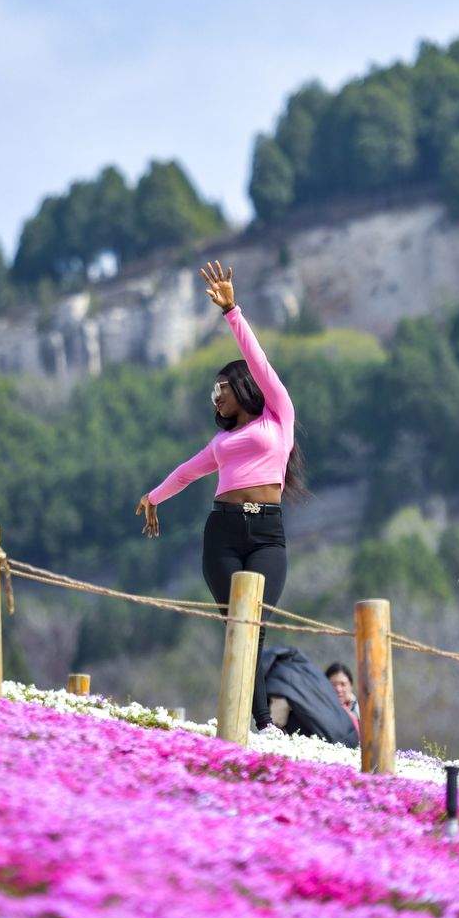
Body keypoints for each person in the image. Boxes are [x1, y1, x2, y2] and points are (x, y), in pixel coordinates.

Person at [135, 259, 308, 730]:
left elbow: (259, 361)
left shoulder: (278, 415)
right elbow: (186, 473)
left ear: (244, 388)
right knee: (237, 622)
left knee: (257, 622)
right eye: (214, 392)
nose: (216, 397)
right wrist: (153, 498)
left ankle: (256, 720)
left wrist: (232, 311)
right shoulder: (220, 444)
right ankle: (255, 722)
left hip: (268, 533)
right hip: (224, 533)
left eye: (223, 387)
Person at [325, 661, 360, 737]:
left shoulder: (362, 711)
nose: (338, 689)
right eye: (333, 685)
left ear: (351, 686)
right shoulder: (319, 711)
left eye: (343, 684)